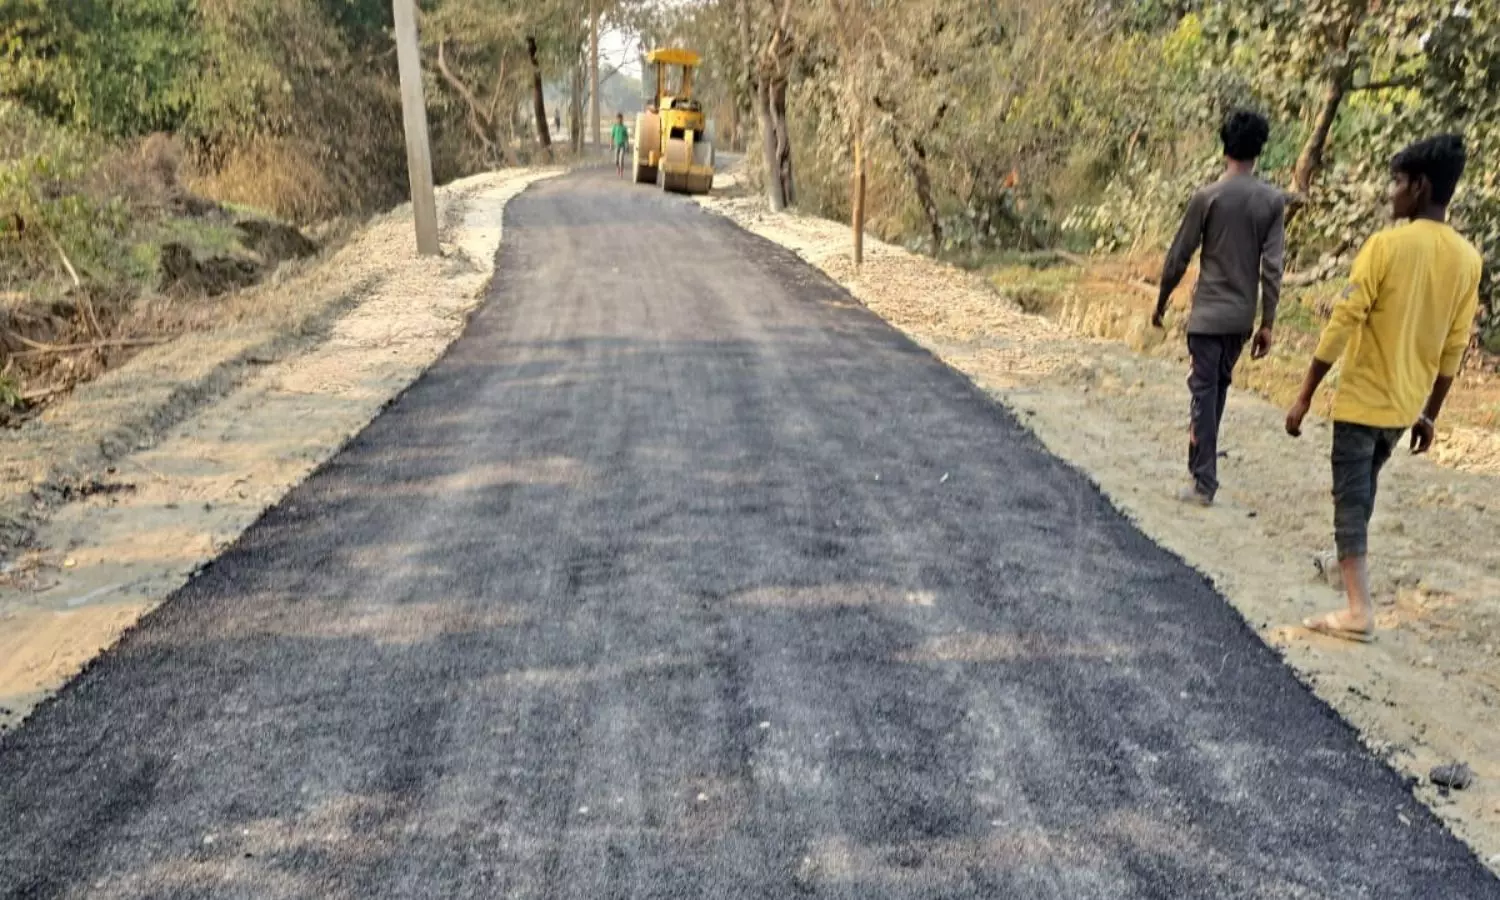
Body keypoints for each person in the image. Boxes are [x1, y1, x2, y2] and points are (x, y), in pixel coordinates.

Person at [1286, 134, 1481, 643]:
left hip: (1363, 400)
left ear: (1420, 186)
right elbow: (1454, 346)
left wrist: (1305, 393)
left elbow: (1343, 321)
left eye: (1397, 182)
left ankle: (1358, 610)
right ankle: (1345, 565)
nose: (1391, 192)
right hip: (1404, 406)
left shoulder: (1386, 247)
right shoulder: (1467, 259)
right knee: (1365, 487)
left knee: (1349, 499)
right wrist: (1430, 414)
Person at [1154, 109, 1286, 506]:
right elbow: (1273, 267)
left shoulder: (1207, 197)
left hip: (1208, 316)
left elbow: (1179, 256)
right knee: (1217, 390)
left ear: (1224, 147)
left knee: (1203, 393)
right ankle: (1202, 469)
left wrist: (1161, 301)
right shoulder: (1272, 201)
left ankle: (1203, 482)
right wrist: (1267, 323)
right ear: (1259, 150)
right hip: (1240, 320)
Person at [612, 113, 630, 177]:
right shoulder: (615, 127)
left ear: (622, 119)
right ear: (616, 119)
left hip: (622, 146)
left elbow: (627, 137)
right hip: (616, 145)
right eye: (618, 119)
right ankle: (618, 168)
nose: (619, 120)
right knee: (616, 160)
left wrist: (627, 146)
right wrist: (611, 144)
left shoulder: (624, 128)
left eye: (620, 119)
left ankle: (621, 172)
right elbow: (612, 136)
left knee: (621, 159)